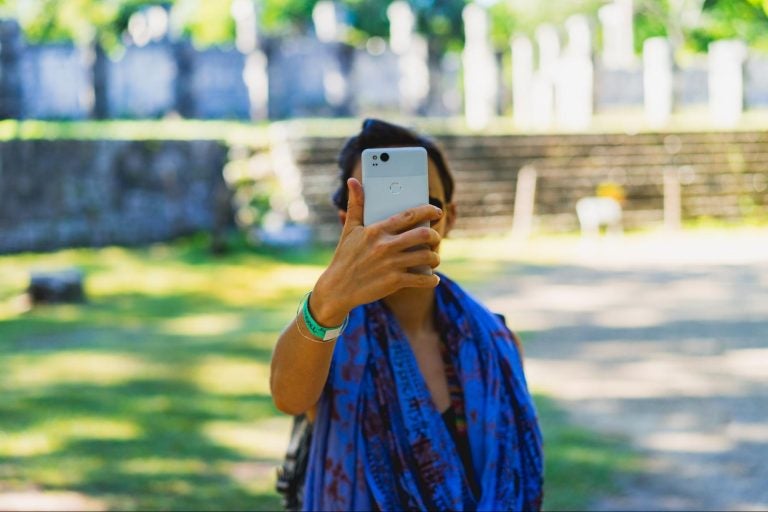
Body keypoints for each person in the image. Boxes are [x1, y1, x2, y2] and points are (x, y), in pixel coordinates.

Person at [270, 119, 543, 511]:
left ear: (450, 217)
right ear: (345, 220)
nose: (402, 223)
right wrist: (328, 298)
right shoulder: (328, 339)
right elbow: (288, 396)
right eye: (381, 206)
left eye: (423, 204)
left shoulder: (497, 342)